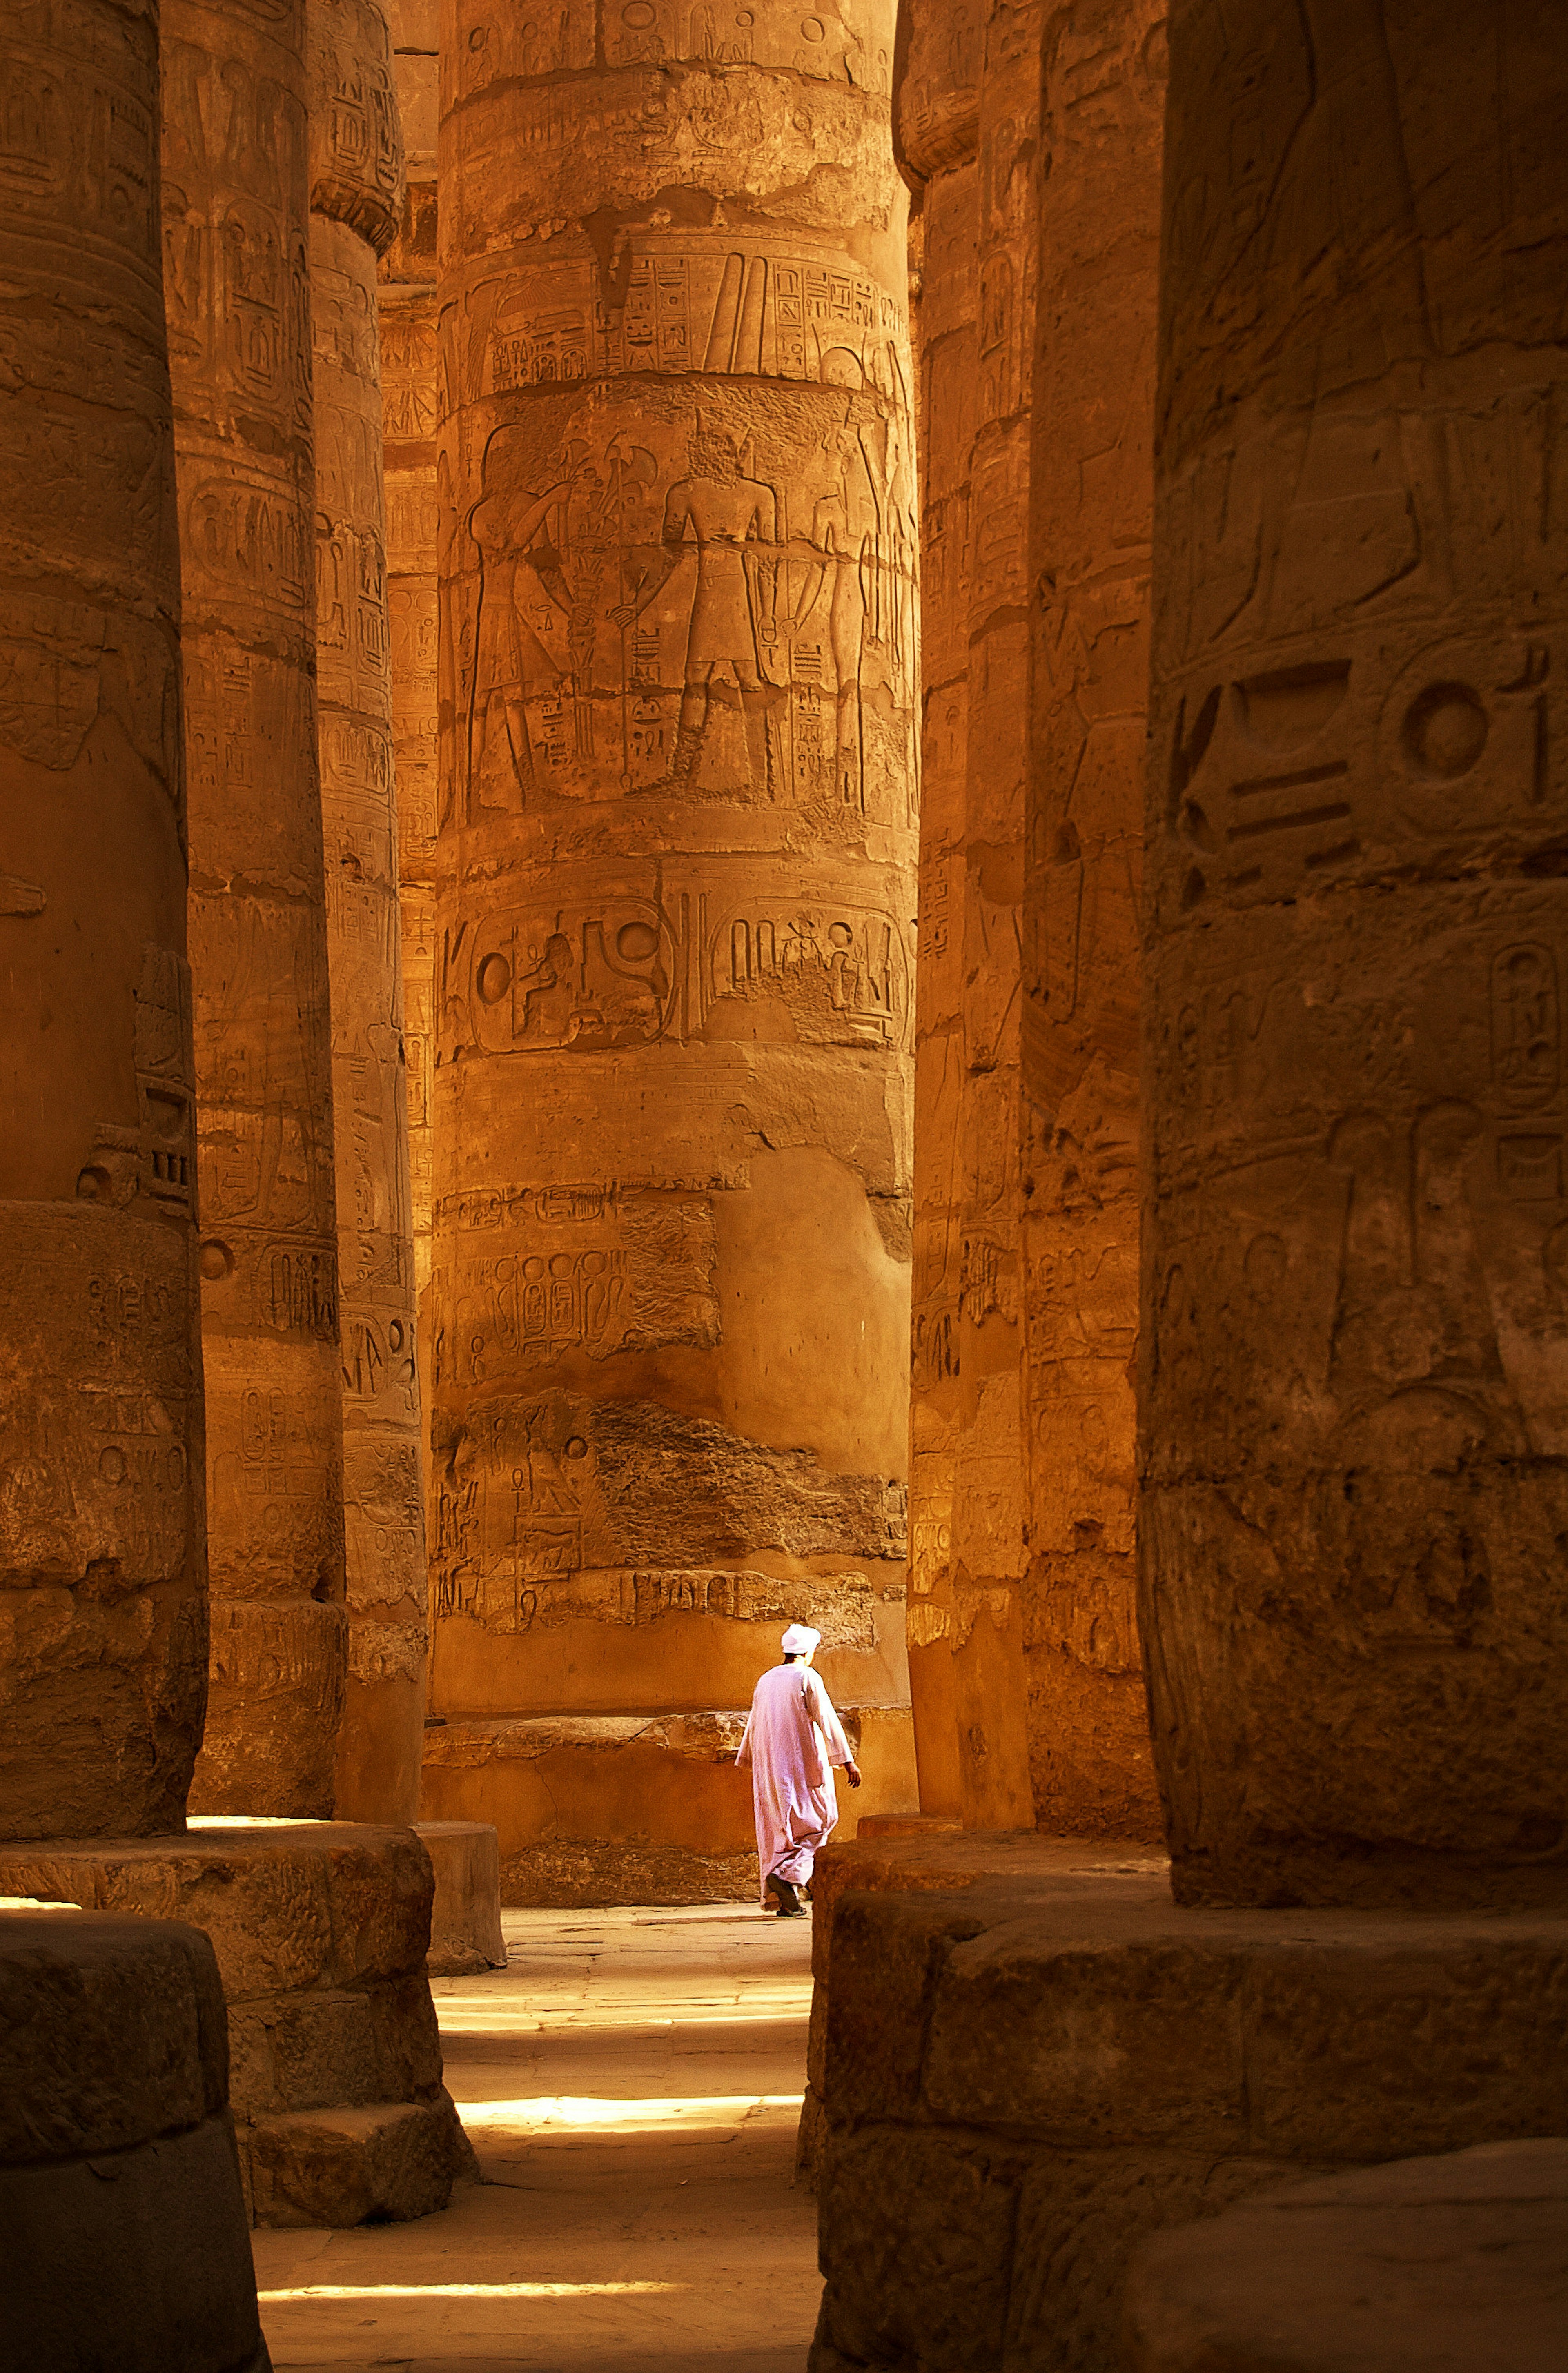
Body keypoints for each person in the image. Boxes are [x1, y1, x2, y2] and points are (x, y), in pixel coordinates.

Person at [735, 1624, 861, 1918]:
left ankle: (788, 1898)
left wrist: (749, 1759)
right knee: (822, 1820)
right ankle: (788, 1876)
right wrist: (847, 1760)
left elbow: (755, 1722)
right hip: (802, 1764)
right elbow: (826, 1719)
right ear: (807, 1652)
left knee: (781, 1830)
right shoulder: (807, 1676)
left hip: (771, 1769)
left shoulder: (766, 1680)